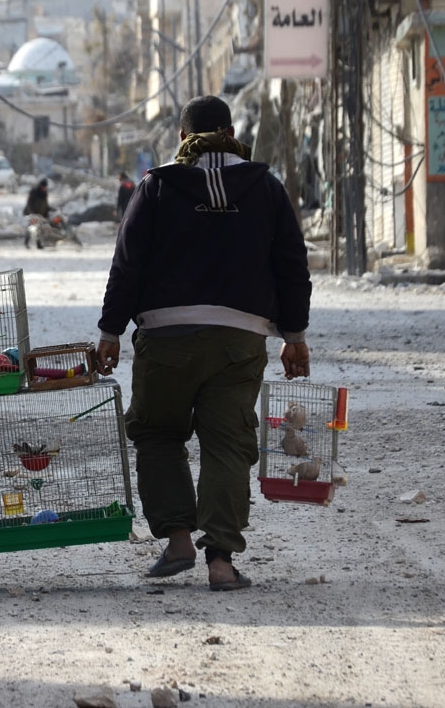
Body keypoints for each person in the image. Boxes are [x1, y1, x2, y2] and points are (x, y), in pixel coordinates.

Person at [94, 95, 311, 592]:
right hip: (240, 340)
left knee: (157, 432)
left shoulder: (156, 187)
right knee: (228, 444)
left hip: (165, 336)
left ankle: (177, 541)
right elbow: (292, 267)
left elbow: (126, 265)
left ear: (181, 138)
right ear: (232, 131)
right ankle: (221, 562)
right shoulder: (266, 187)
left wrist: (110, 331)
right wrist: (294, 337)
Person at [23, 178, 50, 248]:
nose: (44, 188)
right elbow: (29, 203)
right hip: (33, 213)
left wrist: (47, 213)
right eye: (43, 187)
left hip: (41, 214)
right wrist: (32, 212)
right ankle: (26, 242)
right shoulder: (34, 192)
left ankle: (39, 244)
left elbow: (45, 204)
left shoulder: (44, 193)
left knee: (40, 230)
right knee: (31, 228)